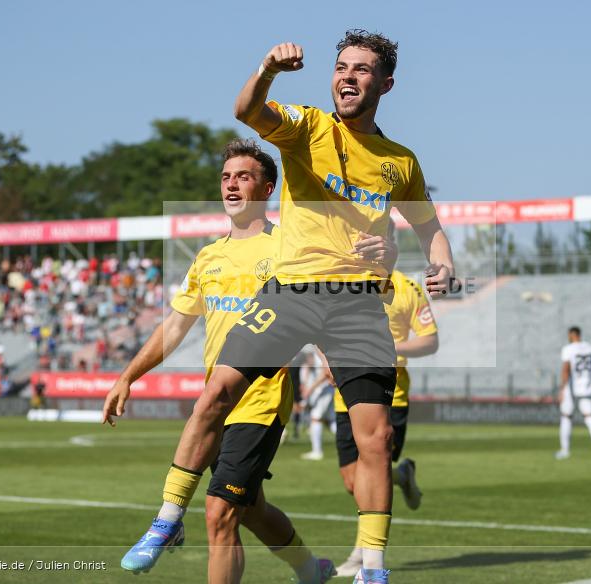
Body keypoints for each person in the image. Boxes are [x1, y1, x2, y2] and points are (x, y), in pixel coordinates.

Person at [113, 30, 453, 584]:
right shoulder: (308, 127)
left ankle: (371, 567)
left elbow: (430, 230)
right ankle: (168, 518)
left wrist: (442, 266)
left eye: (362, 69)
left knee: (377, 439)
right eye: (341, 66)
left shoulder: (400, 162)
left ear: (385, 84)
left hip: (356, 304)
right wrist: (268, 67)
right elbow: (246, 109)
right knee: (215, 394)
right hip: (292, 291)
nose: (347, 76)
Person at [105, 140, 356, 583]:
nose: (232, 185)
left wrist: (333, 354)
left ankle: (167, 523)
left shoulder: (291, 247)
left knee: (220, 513)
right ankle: (310, 568)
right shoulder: (208, 256)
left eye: (243, 176)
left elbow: (320, 307)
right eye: (225, 177)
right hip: (216, 401)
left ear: (268, 188)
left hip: (261, 396)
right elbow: (176, 326)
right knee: (252, 509)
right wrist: (128, 375)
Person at [333, 260, 439, 577]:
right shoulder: (342, 280)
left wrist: (389, 346)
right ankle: (402, 475)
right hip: (344, 393)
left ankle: (363, 557)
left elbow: (430, 339)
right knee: (353, 481)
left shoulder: (407, 288)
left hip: (389, 393)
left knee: (369, 472)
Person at [555, 326, 591, 460]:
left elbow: (566, 369)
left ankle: (565, 450)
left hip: (571, 387)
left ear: (572, 335)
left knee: (566, 416)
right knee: (590, 417)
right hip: (587, 387)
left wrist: (562, 389)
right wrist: (587, 377)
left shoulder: (568, 349)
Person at [300, 346, 337, 461]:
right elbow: (306, 372)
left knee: (315, 418)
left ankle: (317, 452)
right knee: (330, 421)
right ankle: (352, 443)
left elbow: (324, 375)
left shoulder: (318, 358)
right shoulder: (307, 363)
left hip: (325, 391)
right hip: (322, 393)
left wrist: (310, 389)